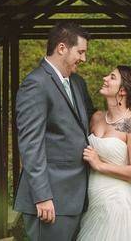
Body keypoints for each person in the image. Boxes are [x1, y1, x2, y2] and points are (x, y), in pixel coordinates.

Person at [14, 22, 95, 241]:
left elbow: (90, 120)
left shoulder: (78, 83)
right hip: (51, 200)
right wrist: (42, 196)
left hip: (75, 197)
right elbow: (31, 144)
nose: (83, 59)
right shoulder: (35, 84)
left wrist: (126, 123)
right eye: (80, 52)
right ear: (61, 48)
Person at [77, 65, 131, 241]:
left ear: (122, 91)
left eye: (112, 77)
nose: (105, 78)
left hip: (118, 203)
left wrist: (99, 165)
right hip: (93, 203)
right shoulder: (97, 117)